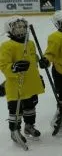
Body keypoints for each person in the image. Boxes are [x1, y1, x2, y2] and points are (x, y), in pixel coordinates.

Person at [0, 16, 44, 144]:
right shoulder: (7, 46)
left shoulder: (30, 43)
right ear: (10, 30)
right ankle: (15, 131)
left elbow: (33, 60)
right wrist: (13, 67)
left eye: (23, 27)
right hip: (15, 83)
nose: (21, 30)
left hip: (30, 81)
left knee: (30, 106)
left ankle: (29, 126)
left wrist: (41, 63)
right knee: (15, 109)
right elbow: (3, 65)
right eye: (17, 27)